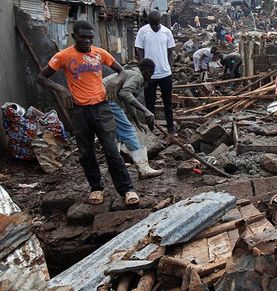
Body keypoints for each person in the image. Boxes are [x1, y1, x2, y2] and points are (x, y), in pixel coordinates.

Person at [37, 20, 139, 205]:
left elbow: (122, 72)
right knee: (86, 152)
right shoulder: (63, 56)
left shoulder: (100, 54)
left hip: (102, 108)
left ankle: (127, 189)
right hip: (78, 111)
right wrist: (62, 90)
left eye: (90, 37)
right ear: (74, 36)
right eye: (83, 37)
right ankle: (96, 188)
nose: (87, 41)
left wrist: (116, 81)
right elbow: (42, 77)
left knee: (111, 150)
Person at [103, 59, 164, 180]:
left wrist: (137, 121)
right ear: (147, 71)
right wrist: (145, 110)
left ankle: (114, 166)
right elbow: (125, 94)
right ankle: (144, 169)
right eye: (151, 73)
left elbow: (127, 101)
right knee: (128, 131)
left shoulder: (130, 73)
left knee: (117, 135)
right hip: (107, 99)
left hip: (101, 99)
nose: (151, 77)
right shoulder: (137, 76)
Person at [135, 10, 177, 134]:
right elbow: (139, 50)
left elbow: (170, 52)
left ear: (160, 21)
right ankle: (151, 128)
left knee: (168, 103)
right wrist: (143, 68)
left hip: (165, 74)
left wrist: (169, 66)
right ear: (148, 21)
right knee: (149, 103)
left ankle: (171, 128)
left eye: (156, 23)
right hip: (149, 75)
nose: (154, 26)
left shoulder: (166, 32)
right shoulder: (143, 31)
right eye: (152, 24)